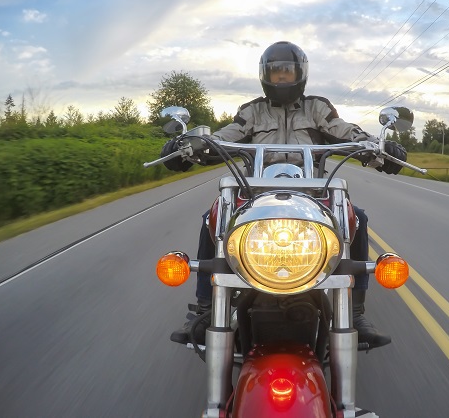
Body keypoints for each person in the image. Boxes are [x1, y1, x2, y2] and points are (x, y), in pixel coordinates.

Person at [160, 41, 407, 349]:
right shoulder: (252, 111)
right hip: (257, 197)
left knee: (356, 216)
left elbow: (345, 131)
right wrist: (192, 144)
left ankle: (354, 312)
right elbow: (226, 136)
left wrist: (377, 147)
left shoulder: (318, 107)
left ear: (300, 74)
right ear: (265, 76)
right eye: (276, 73)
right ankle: (206, 307)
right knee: (214, 214)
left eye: (287, 72)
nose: (281, 79)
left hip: (312, 197)